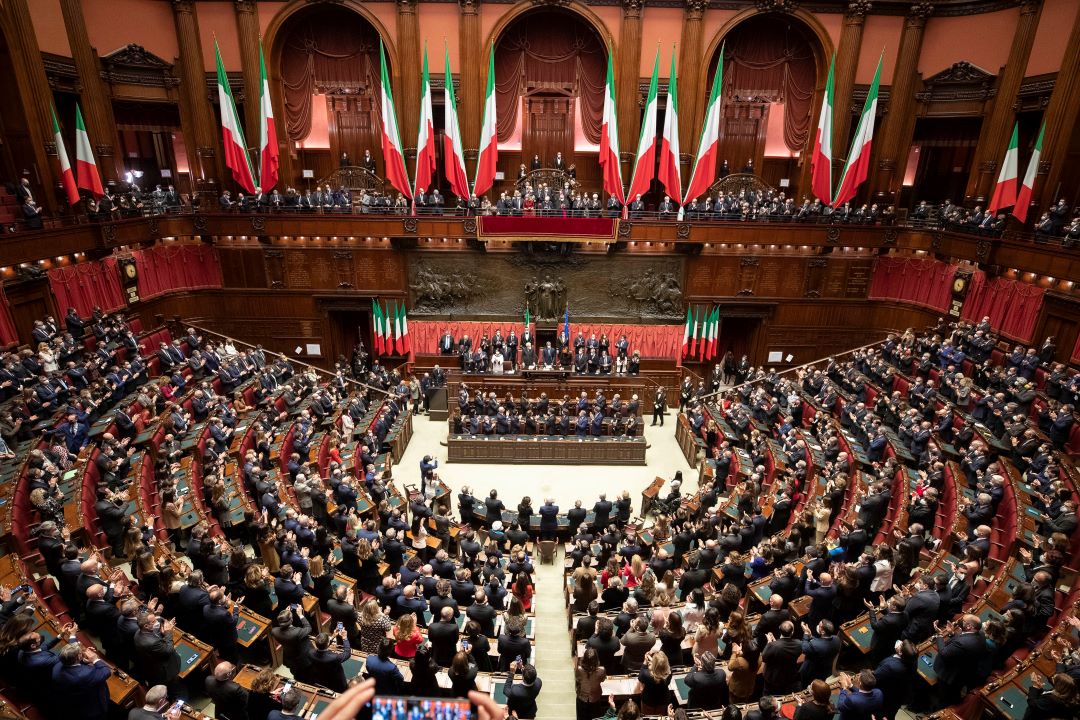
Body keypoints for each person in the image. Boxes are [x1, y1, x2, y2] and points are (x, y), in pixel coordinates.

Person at [51, 643, 113, 720]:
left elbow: (72, 665)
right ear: (78, 656)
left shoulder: (56, 666)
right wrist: (95, 659)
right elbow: (106, 672)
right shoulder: (85, 674)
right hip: (92, 707)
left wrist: (84, 661)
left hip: (73, 702)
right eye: (80, 653)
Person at [575, 647, 607, 720]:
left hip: (582, 697)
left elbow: (578, 679)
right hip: (595, 697)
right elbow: (603, 680)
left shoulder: (579, 669)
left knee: (581, 717)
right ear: (596, 659)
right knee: (595, 718)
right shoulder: (602, 670)